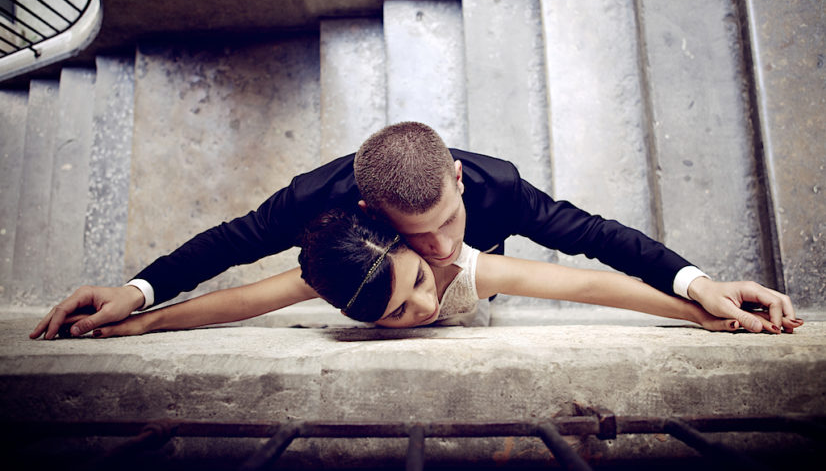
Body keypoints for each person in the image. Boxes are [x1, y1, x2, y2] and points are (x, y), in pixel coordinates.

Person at [31, 122, 798, 340]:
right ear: (372, 220)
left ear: (460, 183)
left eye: (446, 226)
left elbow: (594, 247)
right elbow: (230, 257)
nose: (440, 252)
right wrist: (139, 297)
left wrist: (701, 291)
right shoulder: (323, 210)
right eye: (419, 239)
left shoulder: (492, 188)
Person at [58, 209, 801, 337]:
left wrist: (704, 309)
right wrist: (140, 317)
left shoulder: (466, 266)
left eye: (417, 280)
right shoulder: (326, 280)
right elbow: (238, 302)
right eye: (397, 314)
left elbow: (586, 281)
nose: (422, 302)